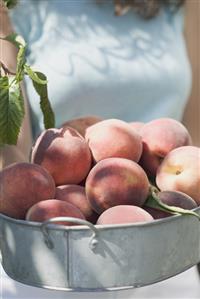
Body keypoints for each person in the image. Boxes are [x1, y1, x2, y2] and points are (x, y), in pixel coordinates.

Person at [0, 0, 200, 298]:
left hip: (165, 254)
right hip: (55, 255)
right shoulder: (16, 6)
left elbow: (194, 129)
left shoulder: (181, 3)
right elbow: (10, 147)